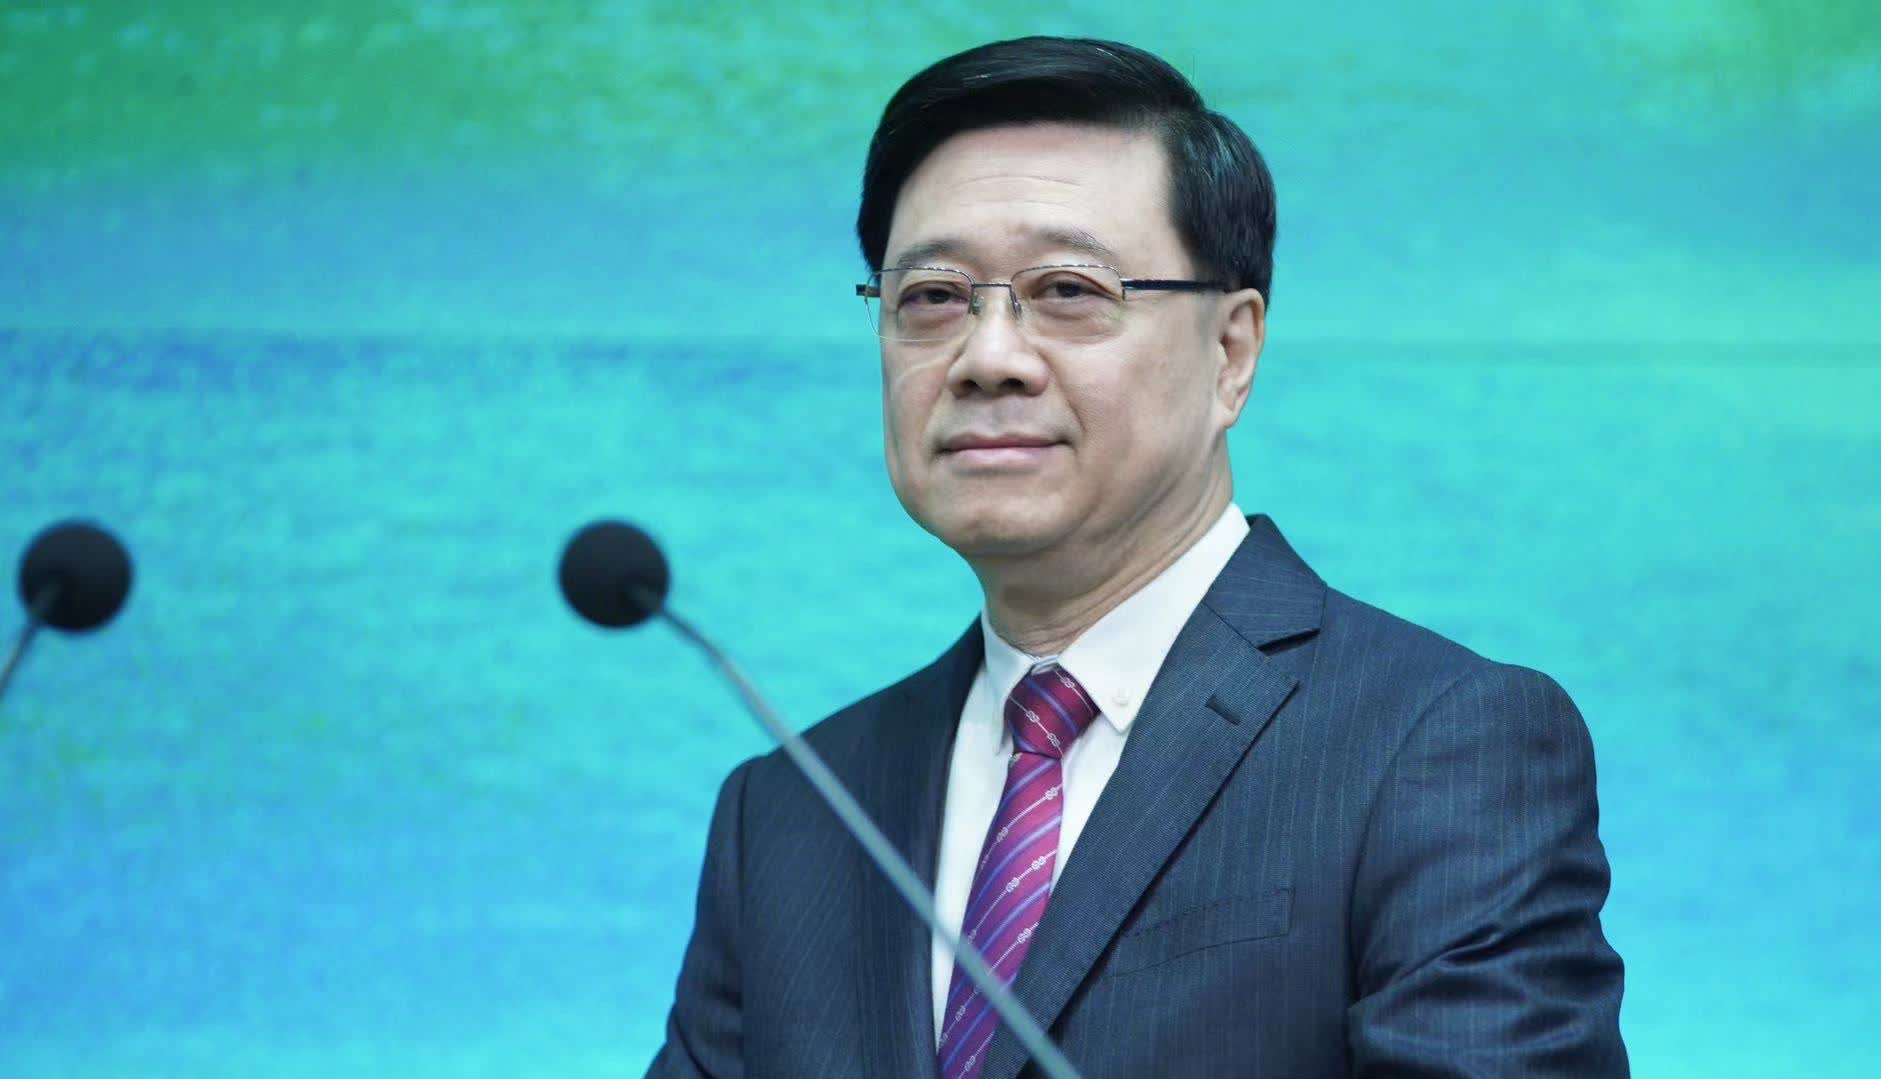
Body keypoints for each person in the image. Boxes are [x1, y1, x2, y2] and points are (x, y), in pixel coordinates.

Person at [650, 36, 1627, 1078]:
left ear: (1231, 352)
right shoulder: (790, 811)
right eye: (931, 297)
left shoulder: (1439, 743)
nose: (988, 358)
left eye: (1069, 289)